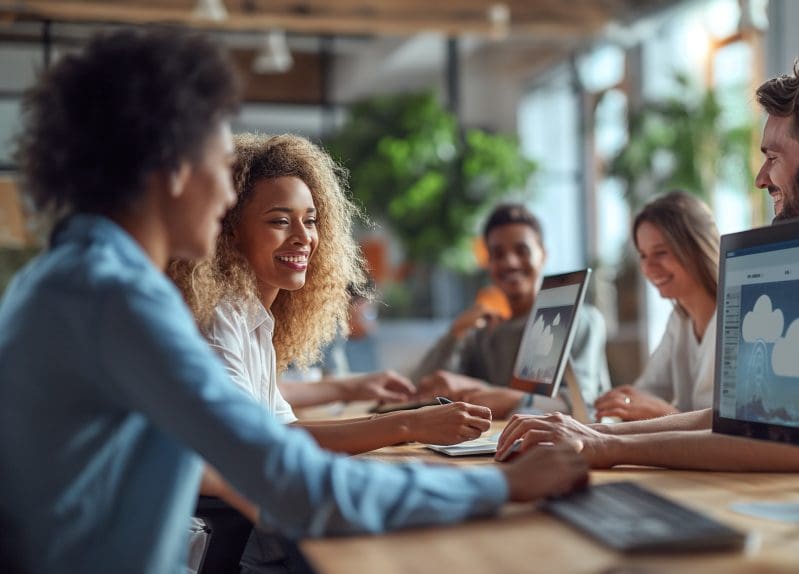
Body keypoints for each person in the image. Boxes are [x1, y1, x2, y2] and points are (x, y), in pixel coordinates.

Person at [0, 28, 587, 574]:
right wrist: (505, 486)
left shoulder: (69, 279)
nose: (228, 192)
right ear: (171, 164)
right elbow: (293, 482)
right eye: (218, 160)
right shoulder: (117, 298)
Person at [496, 60, 799, 471]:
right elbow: (743, 416)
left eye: (772, 157)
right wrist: (591, 434)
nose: (762, 177)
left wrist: (604, 446)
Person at [170, 133, 490, 454]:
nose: (303, 237)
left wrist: (407, 422)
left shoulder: (254, 318)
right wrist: (409, 425)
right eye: (280, 221)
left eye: (310, 221)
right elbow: (251, 443)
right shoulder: (219, 316)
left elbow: (284, 430)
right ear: (231, 232)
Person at [412, 203, 612, 419]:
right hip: (494, 448)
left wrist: (497, 395)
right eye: (498, 254)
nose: (510, 262)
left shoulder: (579, 319)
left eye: (522, 251)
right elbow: (418, 392)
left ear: (543, 255)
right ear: (489, 263)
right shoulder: (483, 334)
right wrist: (454, 333)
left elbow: (584, 406)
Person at [593, 191, 719, 422]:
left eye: (660, 253)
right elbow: (649, 391)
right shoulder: (680, 320)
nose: (648, 267)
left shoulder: (737, 318)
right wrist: (622, 404)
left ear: (697, 247)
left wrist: (665, 413)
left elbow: (735, 430)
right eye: (642, 255)